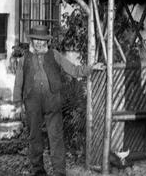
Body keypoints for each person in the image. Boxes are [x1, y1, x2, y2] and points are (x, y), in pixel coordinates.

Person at [13, 24, 91, 176]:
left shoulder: (54, 55)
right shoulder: (24, 59)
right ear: (32, 41)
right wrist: (17, 104)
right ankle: (38, 171)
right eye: (36, 40)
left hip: (52, 102)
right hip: (32, 103)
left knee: (56, 138)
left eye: (42, 40)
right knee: (34, 137)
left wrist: (91, 68)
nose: (39, 43)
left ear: (47, 42)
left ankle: (59, 172)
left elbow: (74, 70)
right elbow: (18, 83)